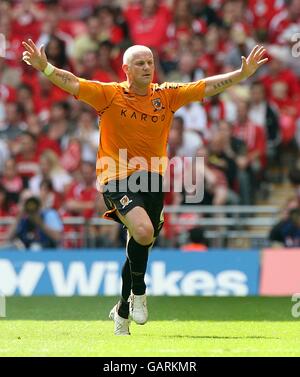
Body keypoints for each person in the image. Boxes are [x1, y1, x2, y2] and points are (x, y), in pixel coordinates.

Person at [22, 38, 268, 335]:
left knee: (139, 243)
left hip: (153, 180)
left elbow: (206, 86)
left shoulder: (166, 95)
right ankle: (140, 292)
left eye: (150, 62)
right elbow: (72, 82)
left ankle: (122, 309)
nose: (147, 67)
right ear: (126, 69)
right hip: (115, 175)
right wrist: (46, 68)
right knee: (143, 231)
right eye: (140, 63)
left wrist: (241, 75)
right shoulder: (109, 95)